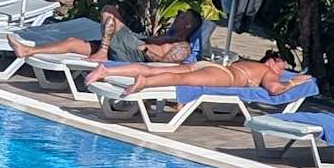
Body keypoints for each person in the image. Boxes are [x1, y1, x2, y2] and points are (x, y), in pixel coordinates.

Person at [108, 48, 307, 96]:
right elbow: (274, 89)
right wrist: (293, 82)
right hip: (225, 76)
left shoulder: (250, 63)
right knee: (180, 79)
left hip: (209, 66)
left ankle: (106, 71)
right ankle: (145, 82)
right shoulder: (266, 70)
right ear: (272, 61)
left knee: (155, 68)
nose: (281, 73)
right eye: (281, 68)